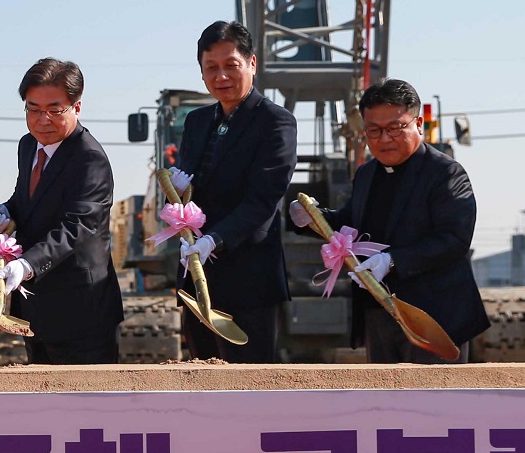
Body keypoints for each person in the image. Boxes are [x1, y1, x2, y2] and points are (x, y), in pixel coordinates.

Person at [292, 78, 490, 363]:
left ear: (418, 123)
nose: (384, 139)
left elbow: (454, 240)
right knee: (384, 401)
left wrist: (392, 260)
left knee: (434, 402)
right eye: (374, 130)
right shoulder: (366, 174)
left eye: (395, 128)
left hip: (433, 316)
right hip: (380, 311)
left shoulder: (445, 173)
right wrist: (312, 219)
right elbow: (350, 224)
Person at [172, 20, 298, 362]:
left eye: (231, 66)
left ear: (252, 64)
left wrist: (214, 239)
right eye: (211, 68)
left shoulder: (275, 122)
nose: (221, 77)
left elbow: (263, 200)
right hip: (198, 280)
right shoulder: (197, 122)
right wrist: (176, 202)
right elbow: (190, 190)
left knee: (247, 387)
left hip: (249, 278)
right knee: (200, 376)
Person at [0, 58, 123, 364]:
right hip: (36, 307)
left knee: (87, 407)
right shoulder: (28, 146)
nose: (43, 119)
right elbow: (28, 199)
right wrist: (5, 210)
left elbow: (76, 227)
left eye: (55, 110)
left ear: (76, 108)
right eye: (34, 109)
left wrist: (26, 265)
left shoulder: (89, 158)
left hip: (82, 311)